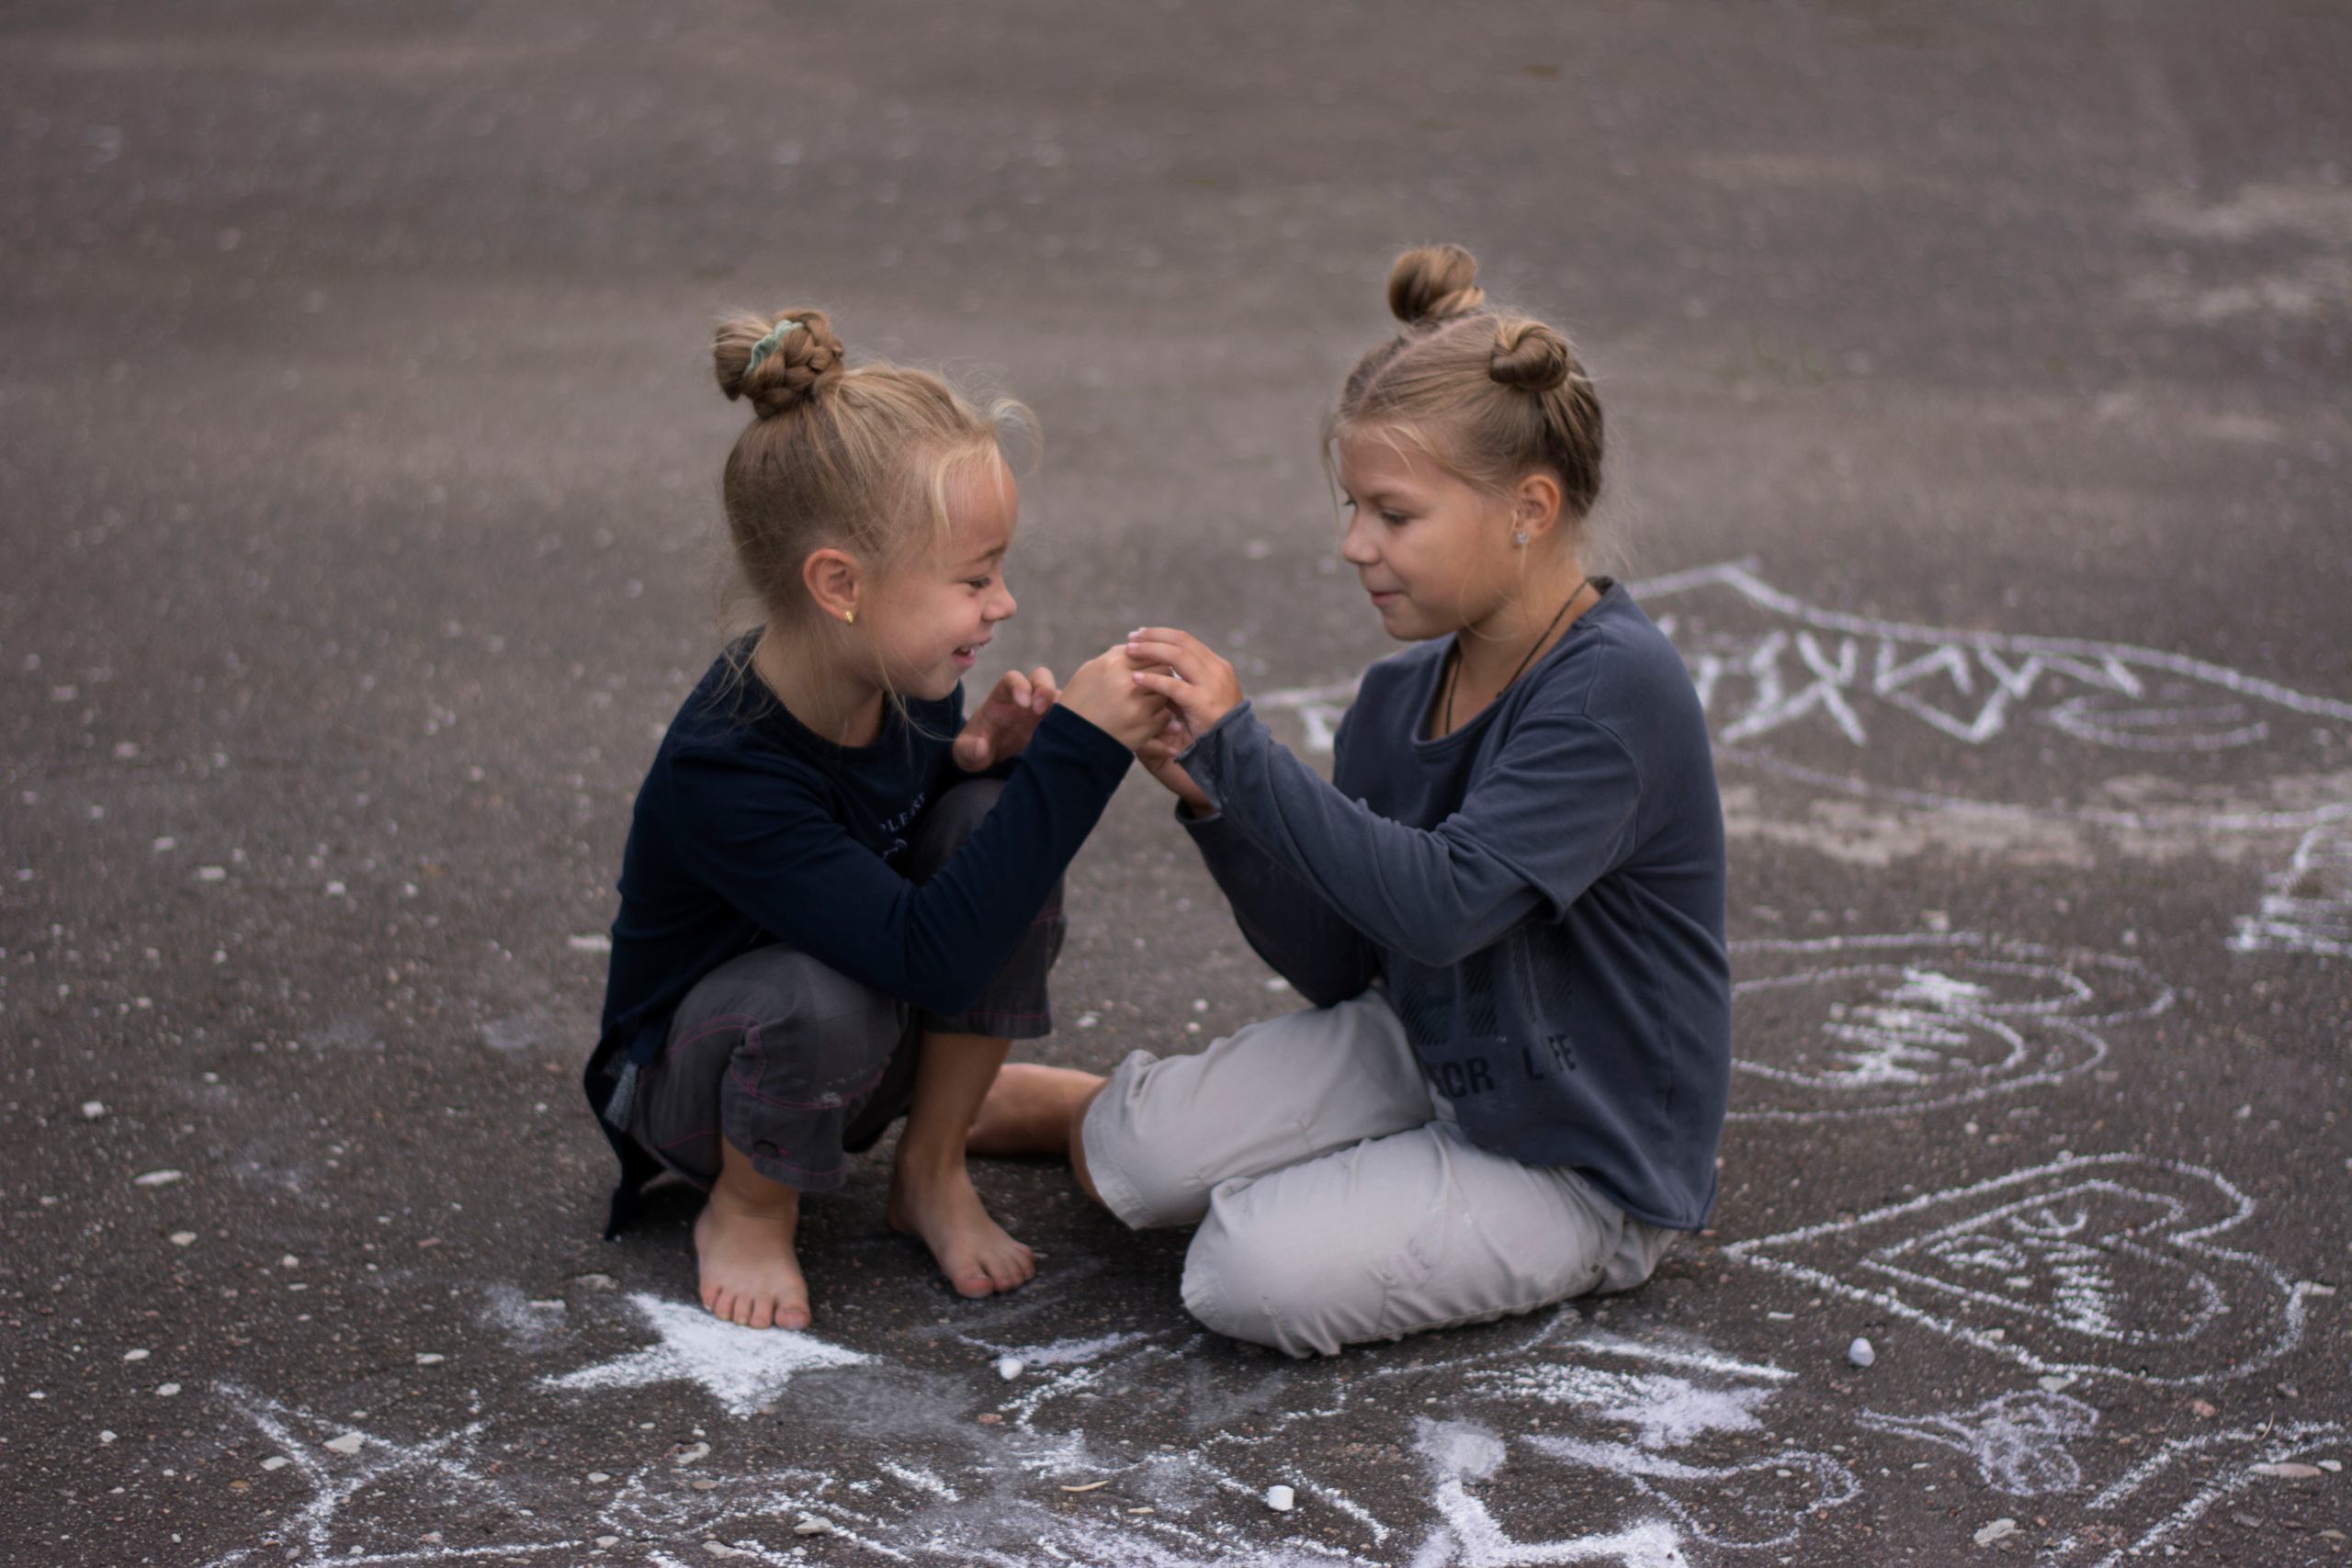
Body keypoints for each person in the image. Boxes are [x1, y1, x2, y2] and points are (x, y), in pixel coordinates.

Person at [971, 245, 1731, 1358]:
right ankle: (1102, 1113)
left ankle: (1371, 1182)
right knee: (1127, 1164)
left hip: (1583, 1153)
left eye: (1393, 514)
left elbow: (1443, 906)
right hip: (1437, 1047)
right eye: (1351, 506)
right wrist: (1212, 803)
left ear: (1528, 508)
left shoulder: (1614, 691)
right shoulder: (1396, 697)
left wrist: (1244, 755)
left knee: (1244, 1273)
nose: (1353, 545)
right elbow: (1341, 963)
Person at [582, 307, 1166, 1331]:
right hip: (693, 1082)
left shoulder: (898, 672)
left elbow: (896, 836)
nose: (1004, 604)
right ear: (840, 586)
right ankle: (751, 1206)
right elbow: (926, 957)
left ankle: (932, 1167)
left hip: (854, 1020)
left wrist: (972, 763)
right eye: (973, 579)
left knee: (992, 819)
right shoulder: (728, 768)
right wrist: (1077, 757)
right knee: (820, 994)